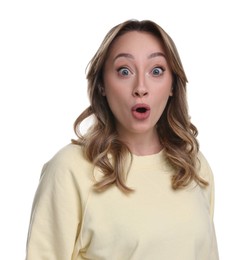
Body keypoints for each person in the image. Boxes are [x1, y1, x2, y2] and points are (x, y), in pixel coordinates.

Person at [25, 19, 219, 259]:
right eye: (124, 71)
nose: (140, 87)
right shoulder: (69, 170)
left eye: (156, 71)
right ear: (102, 85)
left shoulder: (194, 166)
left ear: (172, 86)